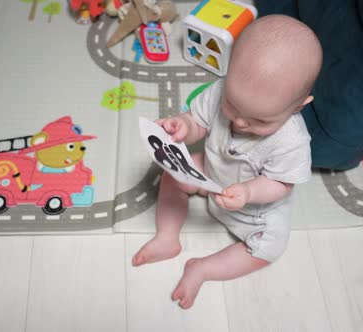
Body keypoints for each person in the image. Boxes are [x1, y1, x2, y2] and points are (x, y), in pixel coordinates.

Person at [132, 14, 323, 309]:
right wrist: (183, 126)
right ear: (230, 68)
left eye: (260, 120)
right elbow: (198, 121)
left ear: (299, 105)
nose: (241, 122)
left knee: (269, 248)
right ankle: (167, 237)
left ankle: (203, 268)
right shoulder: (221, 89)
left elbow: (280, 184)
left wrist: (248, 193)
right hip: (210, 171)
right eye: (232, 106)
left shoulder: (291, 141)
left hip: (254, 211)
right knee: (171, 174)